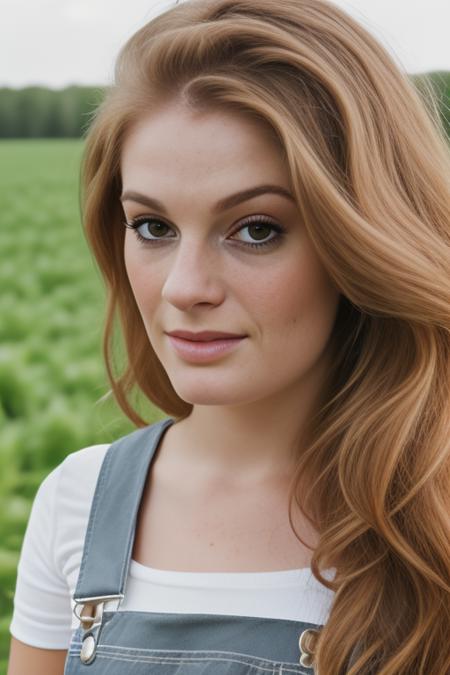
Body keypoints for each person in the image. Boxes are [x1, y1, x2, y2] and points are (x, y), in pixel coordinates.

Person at [7, 0, 450, 673]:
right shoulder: (79, 500)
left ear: (358, 239)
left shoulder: (433, 513)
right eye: (153, 227)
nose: (185, 286)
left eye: (257, 229)